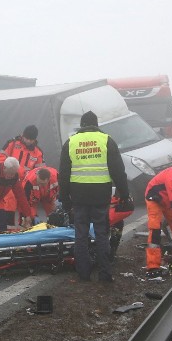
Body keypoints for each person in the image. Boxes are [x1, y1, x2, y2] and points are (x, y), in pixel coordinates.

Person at [59, 111, 129, 283]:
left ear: (82, 125)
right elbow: (118, 171)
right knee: (101, 234)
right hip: (100, 196)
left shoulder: (71, 142)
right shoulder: (106, 140)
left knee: (80, 235)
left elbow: (63, 175)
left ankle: (83, 274)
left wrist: (66, 200)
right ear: (96, 124)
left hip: (79, 196)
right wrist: (124, 194)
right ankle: (105, 274)